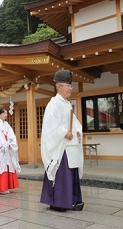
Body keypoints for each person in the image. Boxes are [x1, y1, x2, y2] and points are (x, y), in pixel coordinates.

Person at [40, 69, 84, 212]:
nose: (70, 89)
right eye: (68, 86)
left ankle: (72, 200)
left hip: (69, 145)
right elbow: (51, 124)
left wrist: (77, 130)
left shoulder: (67, 104)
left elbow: (75, 122)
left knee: (71, 172)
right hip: (61, 146)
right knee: (62, 173)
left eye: (71, 86)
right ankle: (58, 202)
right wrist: (64, 133)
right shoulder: (53, 103)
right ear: (59, 87)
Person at [0, 107, 21, 194]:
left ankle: (7, 186)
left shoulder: (7, 124)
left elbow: (11, 135)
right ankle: (1, 188)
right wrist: (5, 144)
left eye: (6, 113)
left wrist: (11, 144)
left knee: (8, 166)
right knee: (1, 166)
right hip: (0, 148)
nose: (5, 114)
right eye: (3, 113)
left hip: (7, 147)